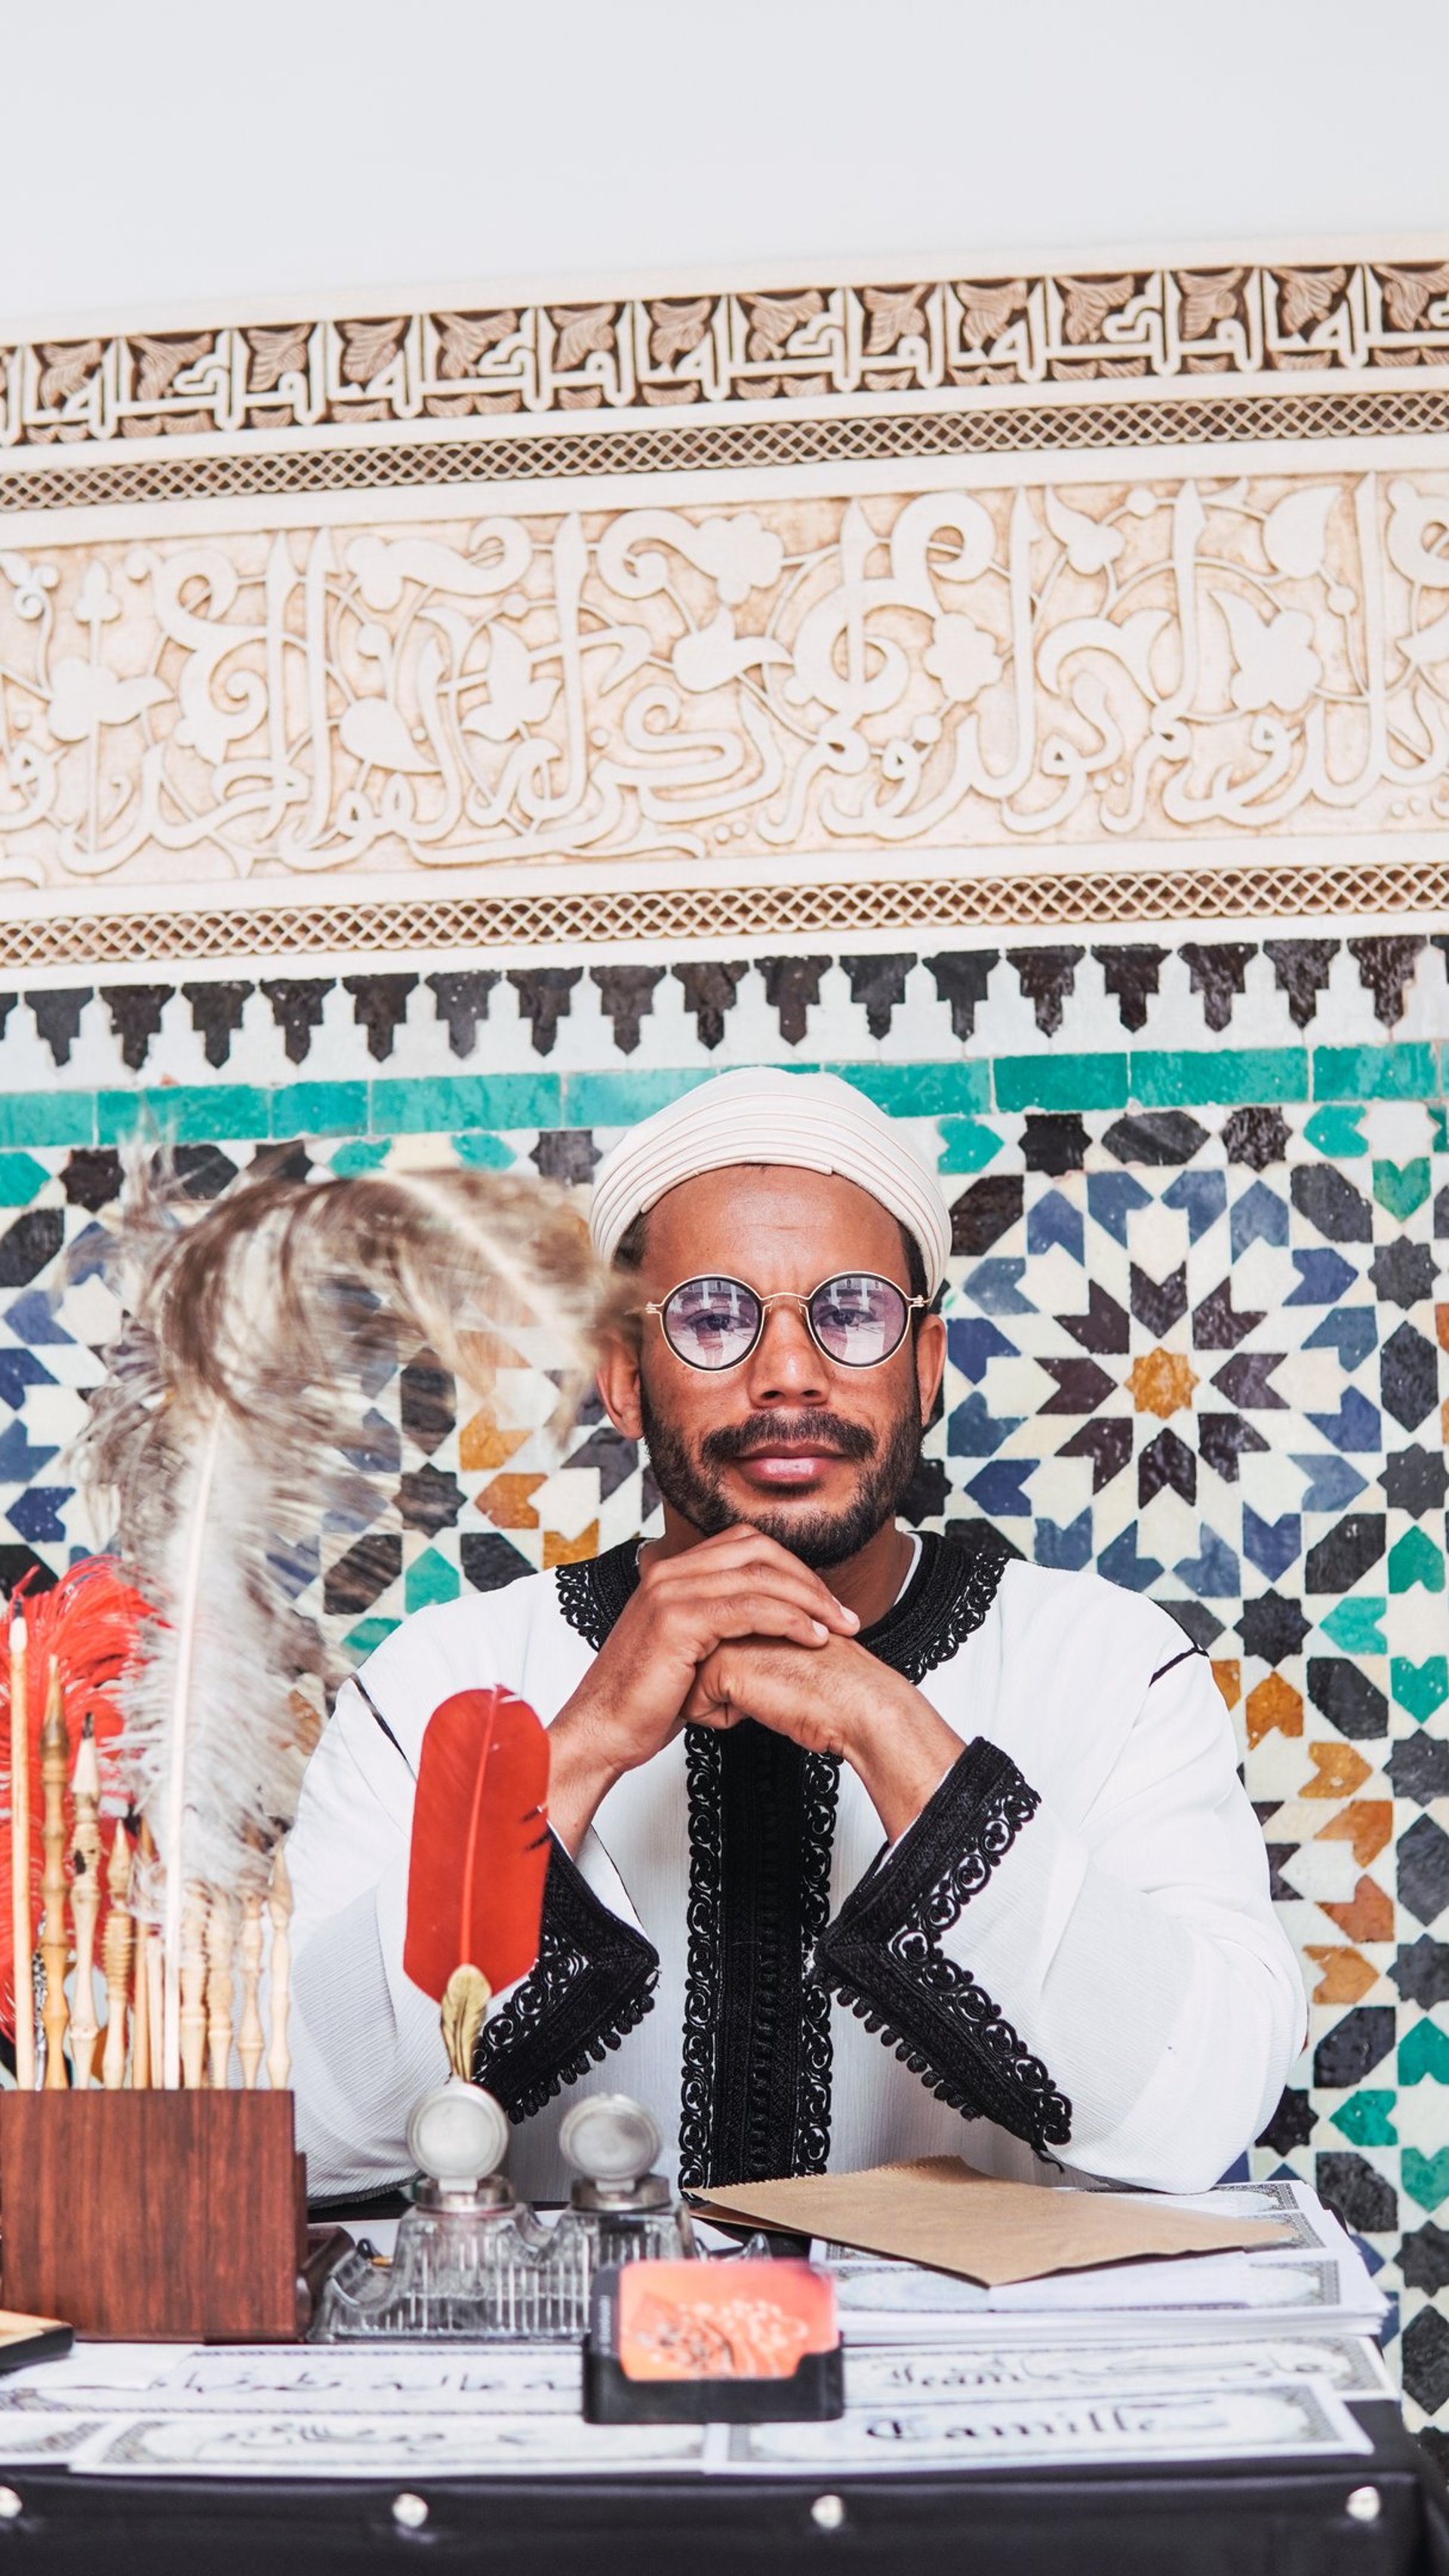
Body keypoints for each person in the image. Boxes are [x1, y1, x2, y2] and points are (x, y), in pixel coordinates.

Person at [286, 1067, 1304, 2204]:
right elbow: (303, 2135)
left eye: (852, 1312)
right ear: (624, 1377)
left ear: (926, 1366)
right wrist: (578, 1748)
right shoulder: (443, 1682)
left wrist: (886, 1723)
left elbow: (1198, 2110)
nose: (786, 1375)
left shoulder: (1111, 1670)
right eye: (711, 1317)